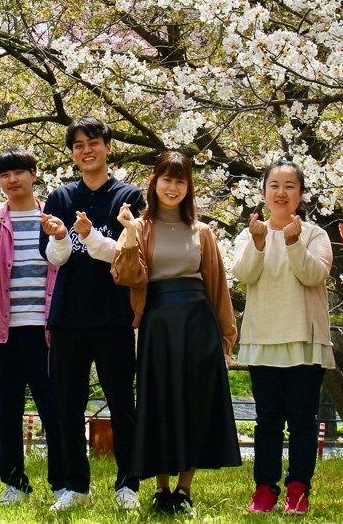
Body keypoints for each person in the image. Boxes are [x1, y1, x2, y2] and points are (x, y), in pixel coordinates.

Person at [111, 150, 239, 515]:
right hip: (158, 325)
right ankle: (161, 488)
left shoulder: (203, 232)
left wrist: (226, 338)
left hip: (199, 325)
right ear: (154, 183)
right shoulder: (140, 225)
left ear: (189, 187)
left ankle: (184, 489)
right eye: (167, 179)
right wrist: (131, 233)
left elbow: (217, 287)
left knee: (195, 402)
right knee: (159, 400)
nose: (173, 187)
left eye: (180, 181)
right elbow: (124, 275)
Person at [39, 116, 144, 512]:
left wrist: (88, 234)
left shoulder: (130, 196)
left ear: (108, 147)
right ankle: (74, 485)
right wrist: (64, 236)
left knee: (122, 402)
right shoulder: (60, 199)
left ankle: (128, 483)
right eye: (79, 144)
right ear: (72, 154)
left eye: (93, 142)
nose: (87, 150)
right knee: (67, 403)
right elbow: (53, 259)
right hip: (68, 315)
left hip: (114, 315)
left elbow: (127, 254)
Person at [231, 161, 333, 515]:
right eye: (274, 185)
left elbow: (313, 275)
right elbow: (243, 273)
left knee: (303, 419)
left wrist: (293, 243)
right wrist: (259, 243)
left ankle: (298, 489)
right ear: (263, 192)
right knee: (268, 420)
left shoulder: (314, 235)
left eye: (289, 186)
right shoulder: (250, 234)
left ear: (300, 194)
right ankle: (264, 489)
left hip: (304, 338)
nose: (281, 192)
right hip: (264, 338)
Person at [0, 149, 62, 505]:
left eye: (19, 173)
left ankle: (63, 483)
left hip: (46, 332)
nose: (12, 180)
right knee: (6, 411)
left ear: (34, 175)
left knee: (54, 410)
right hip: (3, 333)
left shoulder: (53, 217)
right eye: (4, 175)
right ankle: (14, 483)